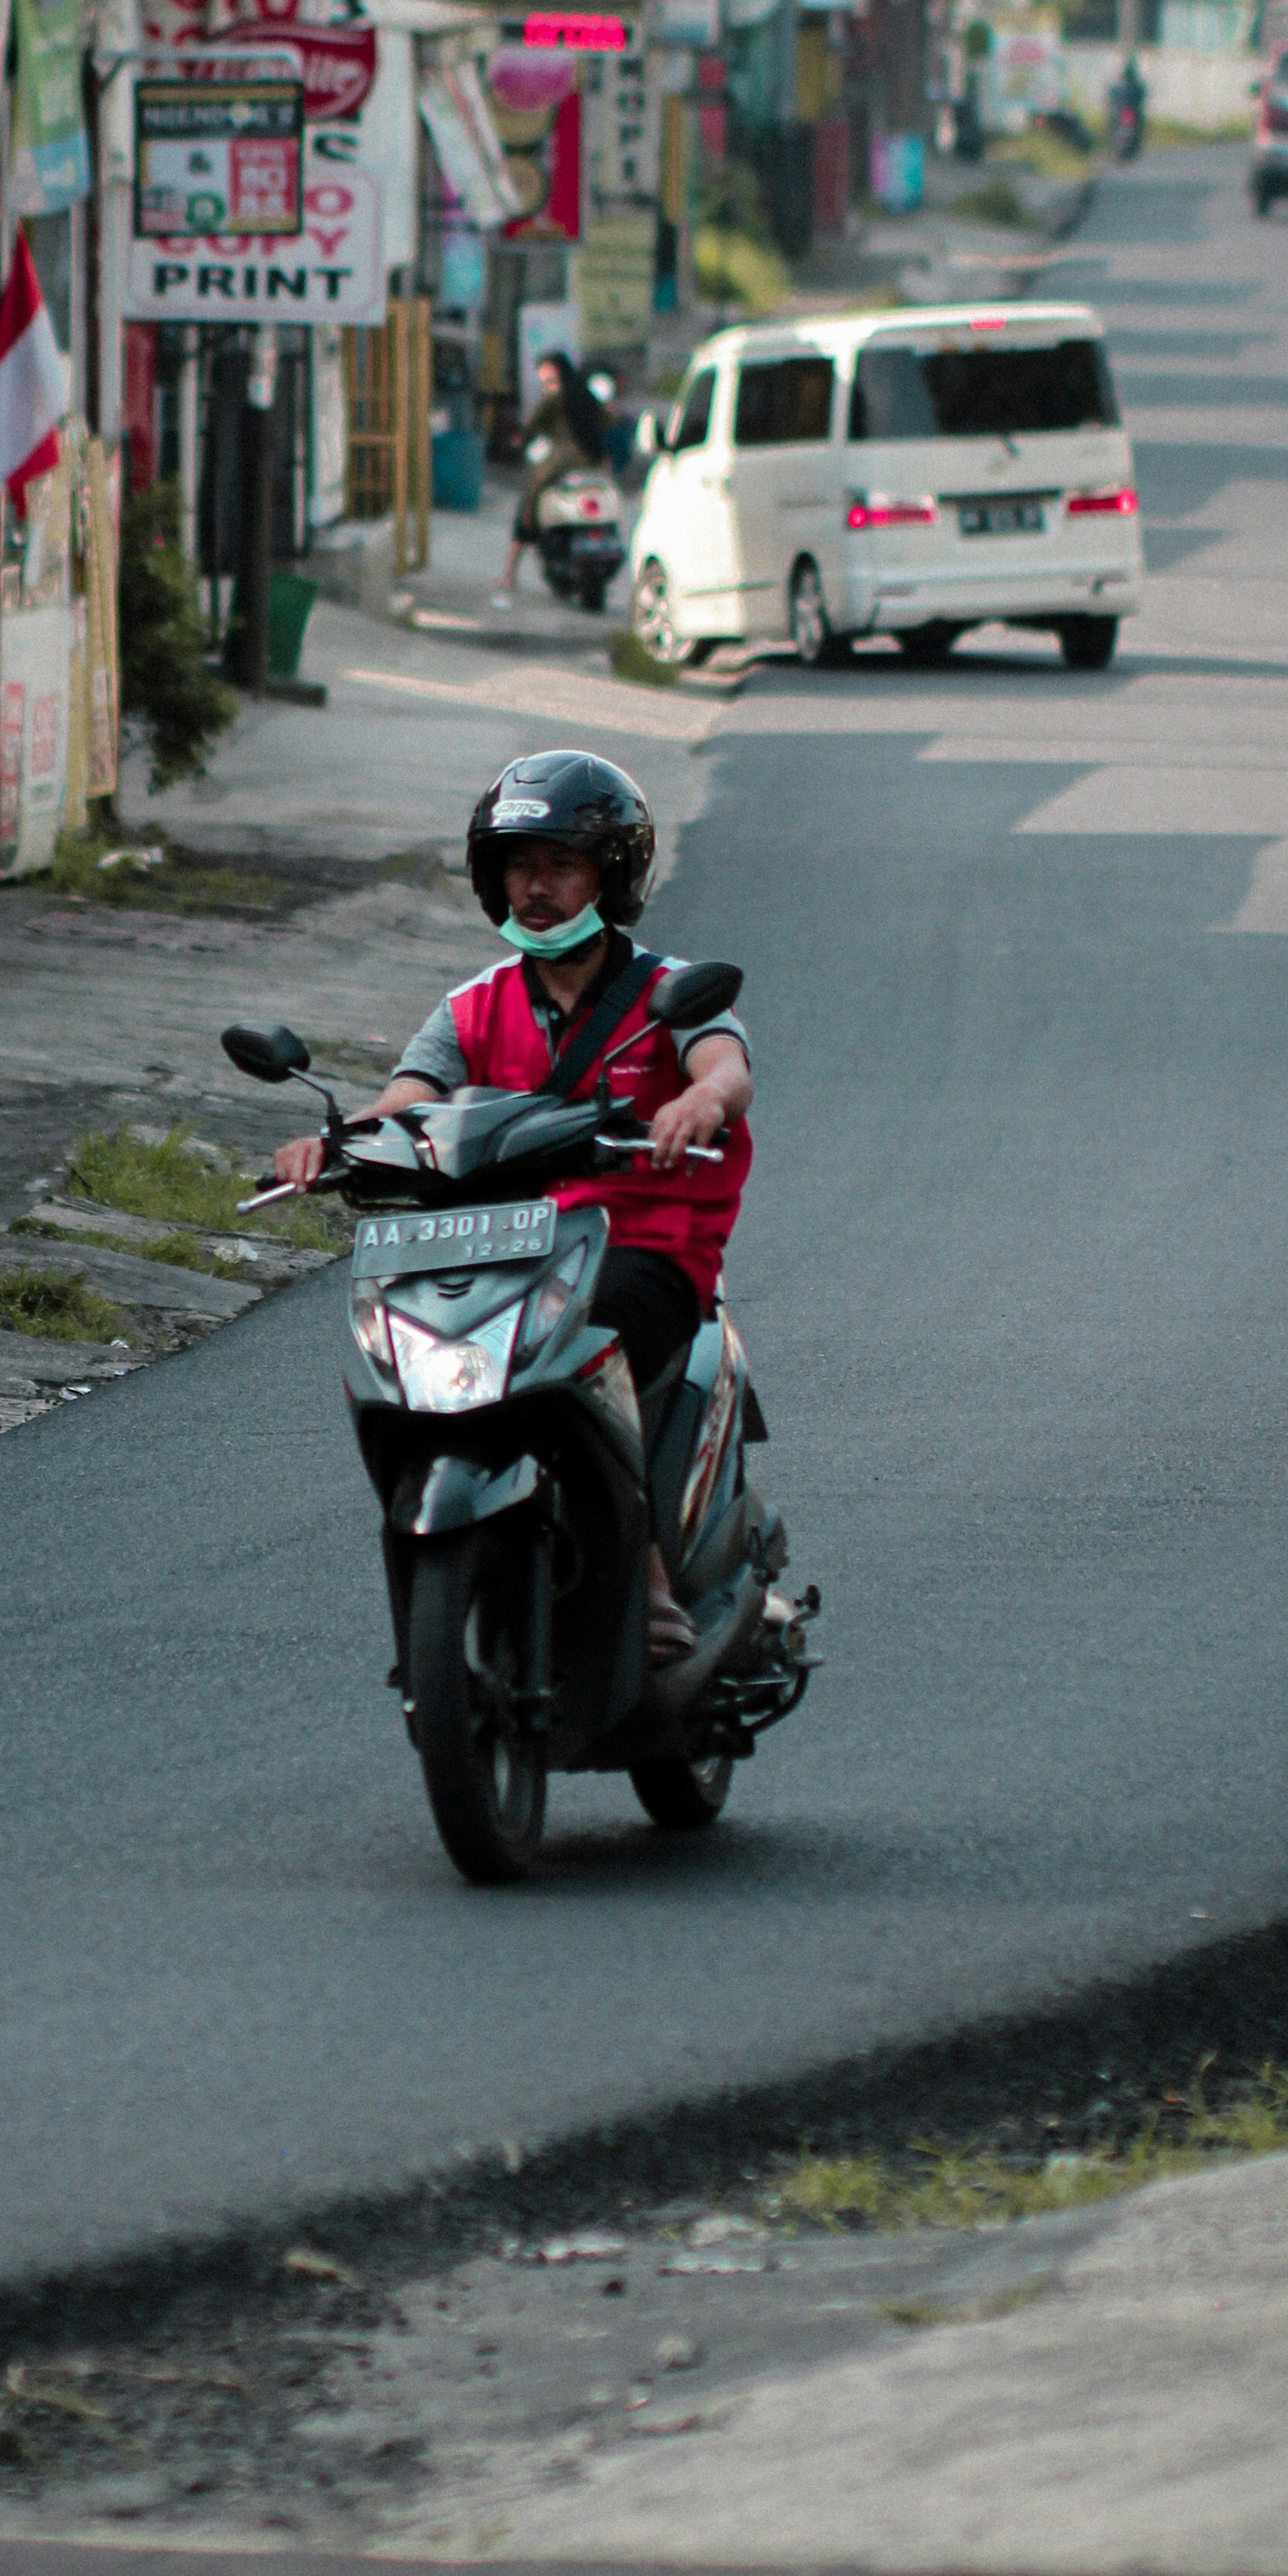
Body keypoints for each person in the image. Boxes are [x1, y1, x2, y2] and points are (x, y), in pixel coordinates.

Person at [270, 751, 754, 1663]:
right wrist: (330, 1145)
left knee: (599, 1329)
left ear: (608, 878)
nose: (536, 888)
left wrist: (700, 1101)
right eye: (519, 865)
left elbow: (723, 1065)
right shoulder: (467, 1009)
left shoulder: (664, 993)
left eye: (561, 866)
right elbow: (403, 1101)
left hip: (640, 1244)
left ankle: (646, 1572)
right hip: (499, 1243)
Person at [493, 352, 608, 610]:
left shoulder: (556, 396)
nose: (542, 377)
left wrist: (518, 439)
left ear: (554, 370)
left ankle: (512, 568)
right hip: (594, 461)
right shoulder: (586, 392)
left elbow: (533, 426)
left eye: (544, 370)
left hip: (565, 458)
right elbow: (607, 418)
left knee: (530, 496)